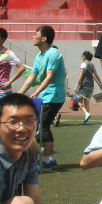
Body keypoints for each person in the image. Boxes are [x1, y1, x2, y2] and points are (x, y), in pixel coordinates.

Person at [18, 26, 66, 170]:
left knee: (42, 127)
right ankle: (50, 159)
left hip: (54, 96)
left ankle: (47, 160)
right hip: (45, 96)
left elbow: (50, 77)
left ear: (44, 38)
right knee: (43, 127)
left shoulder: (53, 54)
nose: (33, 37)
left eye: (36, 34)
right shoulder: (39, 56)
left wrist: (36, 92)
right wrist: (19, 93)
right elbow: (32, 77)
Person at [75, 51, 102, 124]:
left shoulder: (83, 64)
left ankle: (86, 113)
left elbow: (80, 75)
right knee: (87, 103)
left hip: (83, 85)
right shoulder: (92, 65)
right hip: (91, 86)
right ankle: (86, 119)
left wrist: (76, 85)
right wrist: (101, 85)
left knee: (79, 102)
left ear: (85, 56)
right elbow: (96, 75)